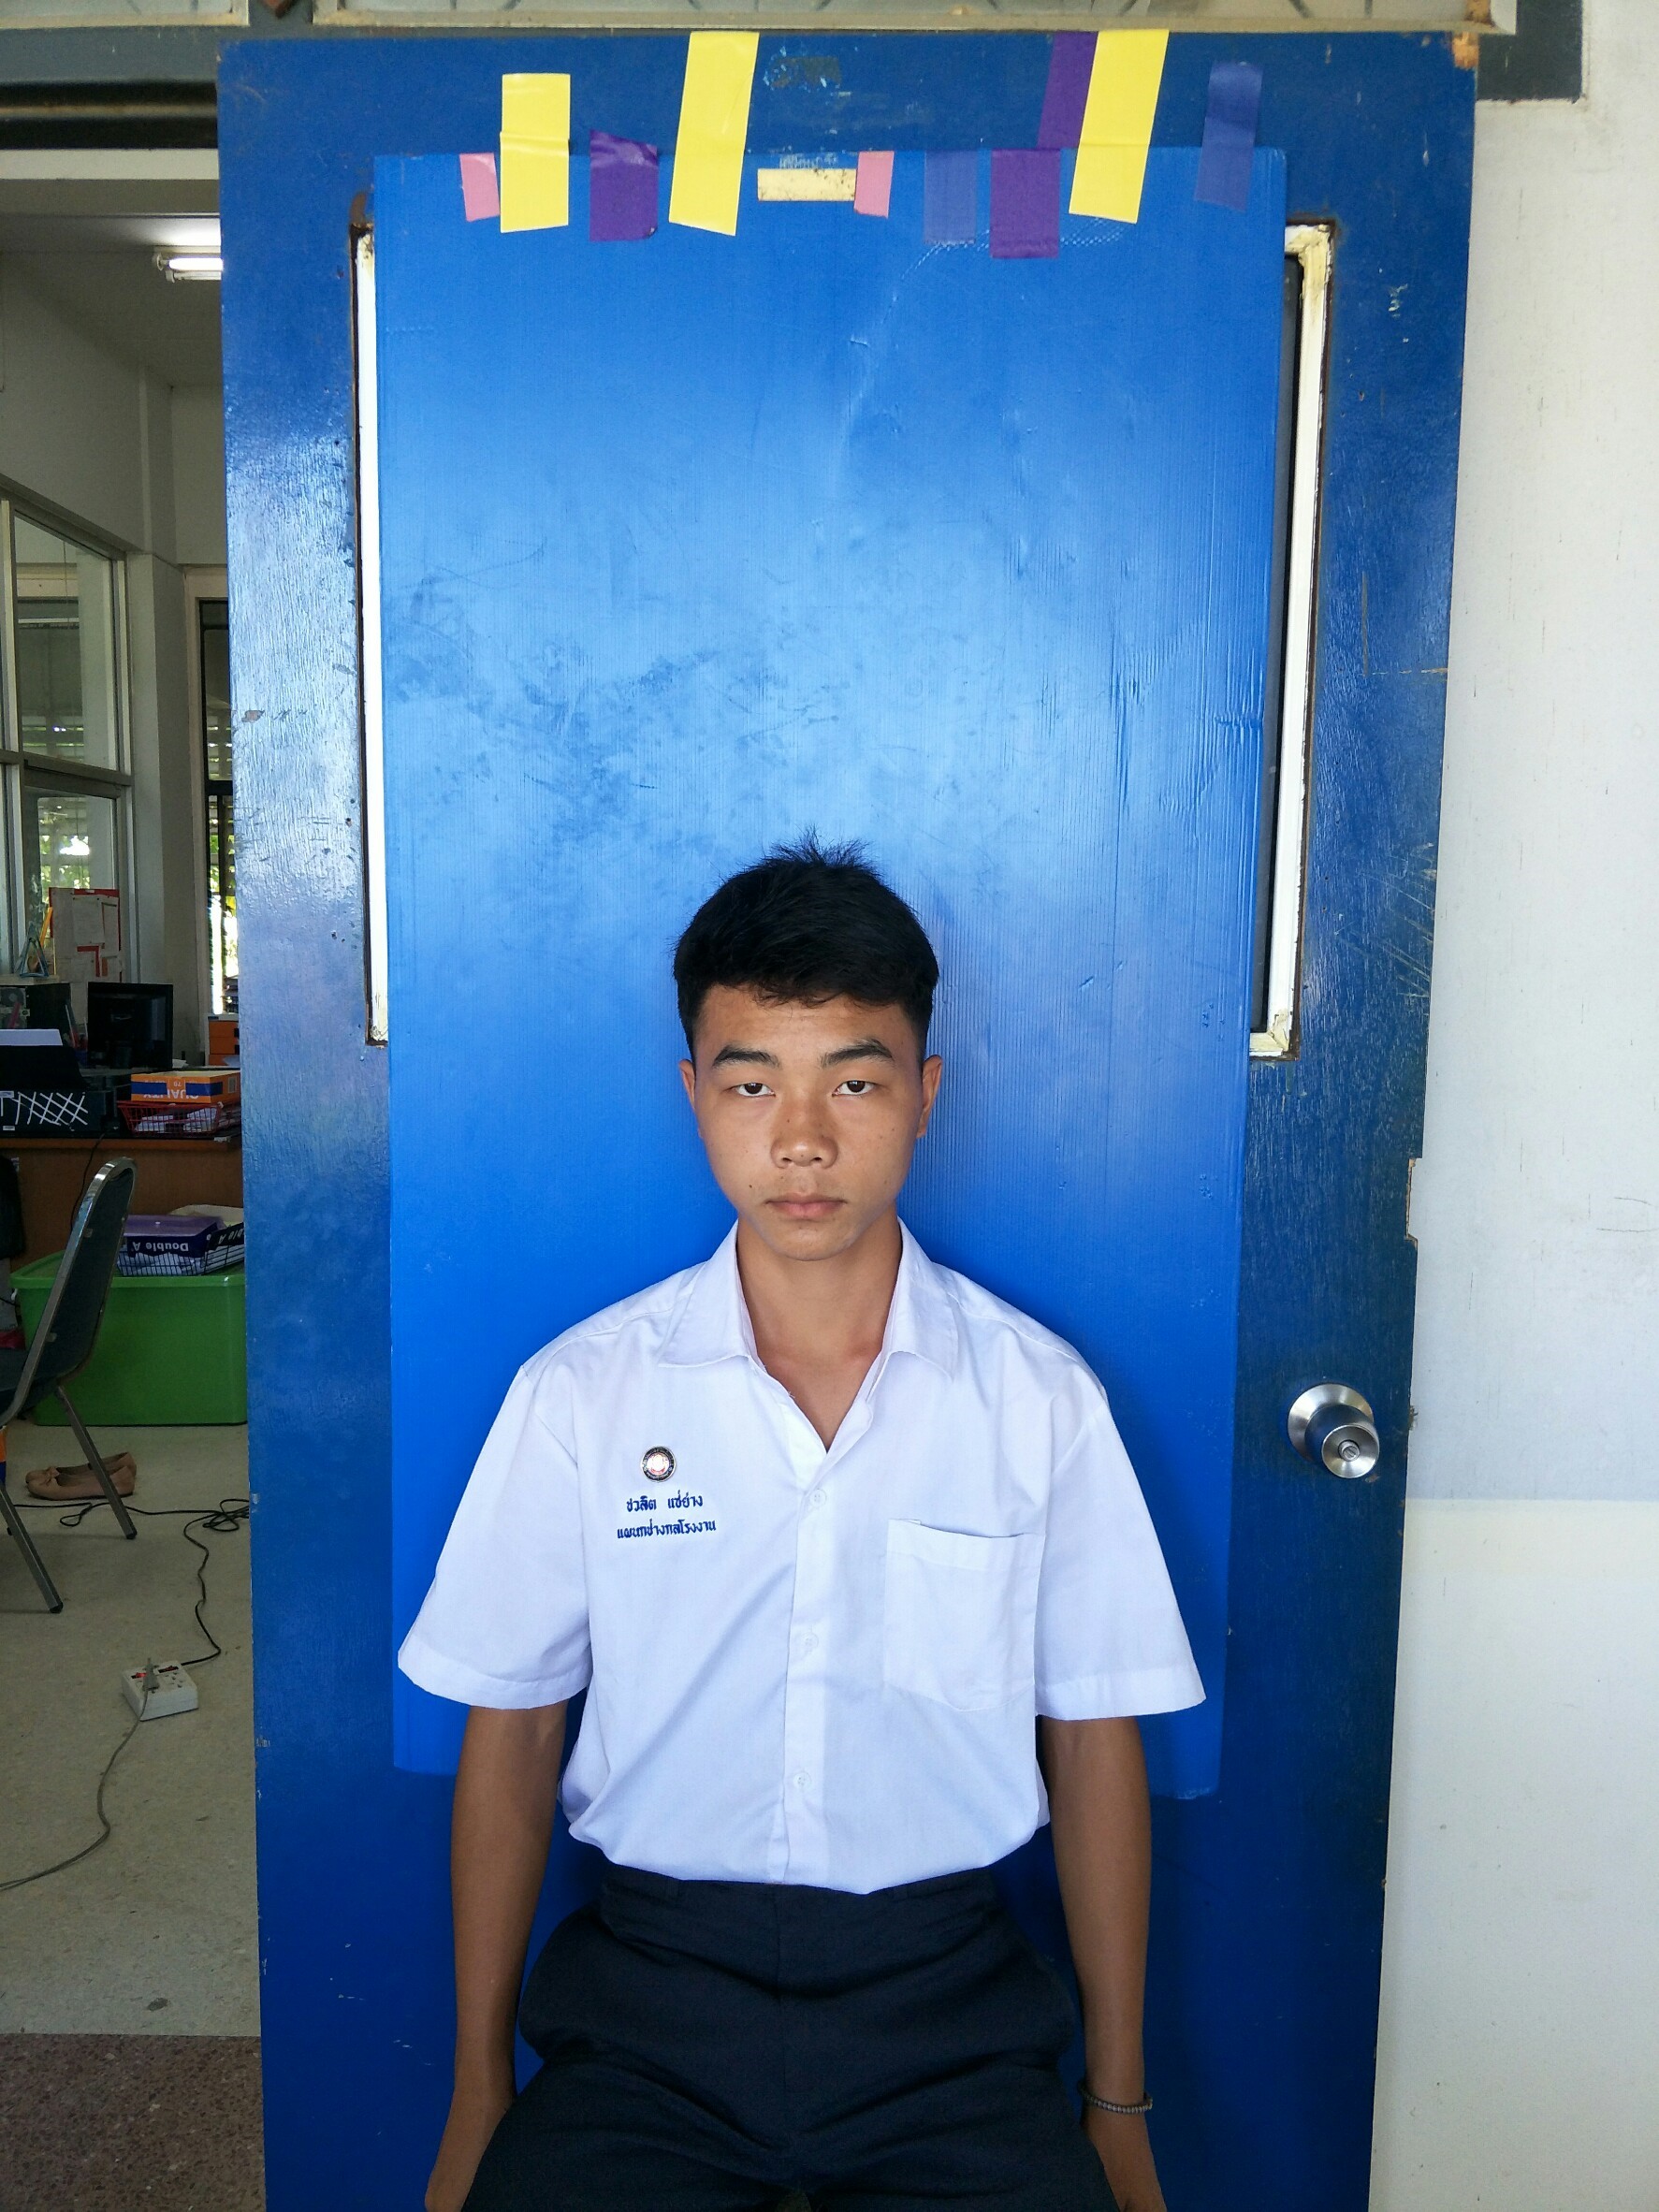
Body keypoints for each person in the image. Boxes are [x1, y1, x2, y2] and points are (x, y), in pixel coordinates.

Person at [400, 837, 1203, 2212]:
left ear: (926, 1094)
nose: (803, 1140)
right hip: (647, 2012)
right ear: (693, 1096)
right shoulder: (583, 1394)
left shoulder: (1035, 1399)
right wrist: (480, 2096)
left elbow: (1091, 1743)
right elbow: (514, 1732)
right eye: (751, 1082)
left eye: (855, 1080)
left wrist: (1116, 2111)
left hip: (949, 2016)